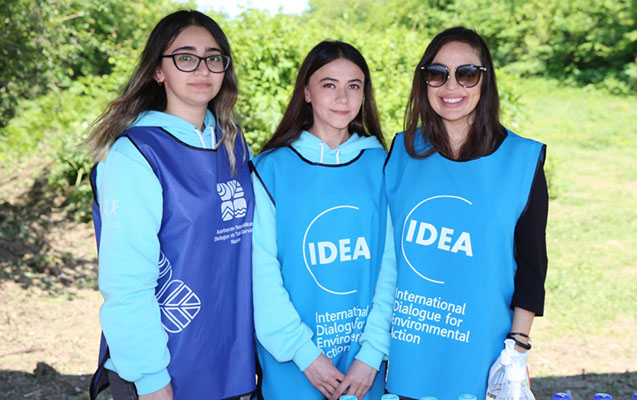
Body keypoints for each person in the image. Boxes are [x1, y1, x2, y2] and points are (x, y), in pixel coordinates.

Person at [84, 10, 255, 400]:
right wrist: (150, 380)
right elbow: (126, 281)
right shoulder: (136, 153)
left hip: (227, 360)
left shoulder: (231, 142)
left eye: (213, 57)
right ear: (158, 71)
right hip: (162, 370)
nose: (202, 68)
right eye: (185, 57)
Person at [383, 26, 548, 399]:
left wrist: (517, 347)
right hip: (406, 350)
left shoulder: (521, 161)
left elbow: (532, 266)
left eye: (467, 73)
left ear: (485, 80)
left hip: (483, 354)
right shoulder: (401, 153)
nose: (451, 86)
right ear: (424, 81)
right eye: (437, 73)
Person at [251, 40, 395, 400]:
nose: (343, 98)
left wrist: (372, 353)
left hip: (365, 364)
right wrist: (304, 353)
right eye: (329, 84)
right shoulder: (269, 169)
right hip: (293, 361)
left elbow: (393, 266)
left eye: (354, 86)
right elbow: (260, 272)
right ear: (306, 92)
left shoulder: (385, 167)